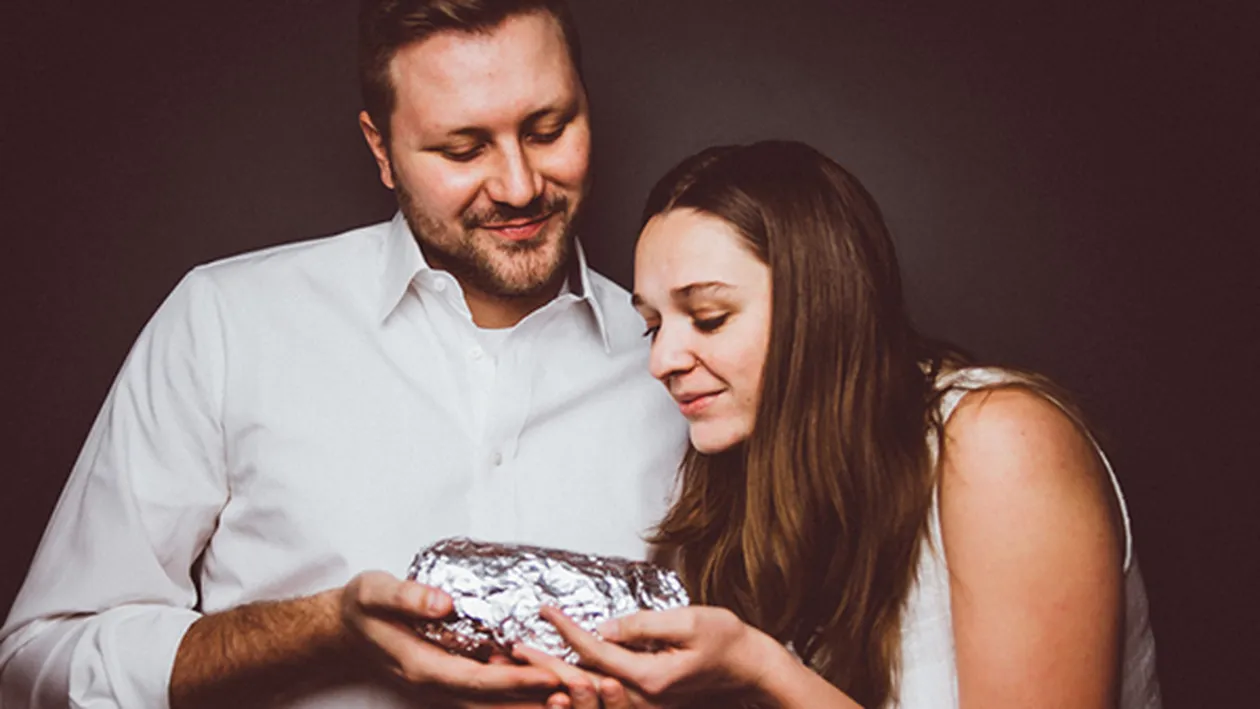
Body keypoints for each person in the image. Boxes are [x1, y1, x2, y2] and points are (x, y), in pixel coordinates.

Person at [0, 1, 687, 708]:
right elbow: (36, 663)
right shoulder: (229, 324)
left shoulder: (688, 369)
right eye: (463, 149)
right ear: (381, 148)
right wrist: (321, 630)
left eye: (548, 130)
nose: (519, 185)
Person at [516, 141, 1162, 708]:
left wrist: (762, 668)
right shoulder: (742, 477)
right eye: (653, 325)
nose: (661, 360)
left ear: (817, 305)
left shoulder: (999, 443)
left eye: (708, 317)